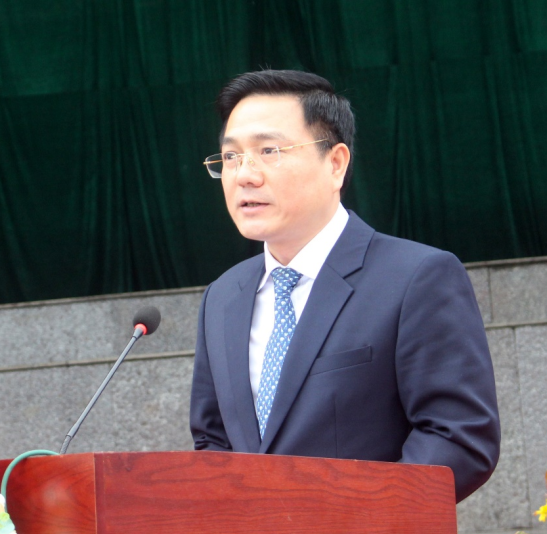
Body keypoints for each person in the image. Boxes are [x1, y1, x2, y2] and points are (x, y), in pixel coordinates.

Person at [189, 69, 500, 502]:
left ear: (335, 163)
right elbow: (213, 442)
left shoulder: (417, 277)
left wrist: (352, 519)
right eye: (231, 156)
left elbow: (458, 437)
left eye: (269, 150)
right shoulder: (223, 297)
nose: (244, 174)